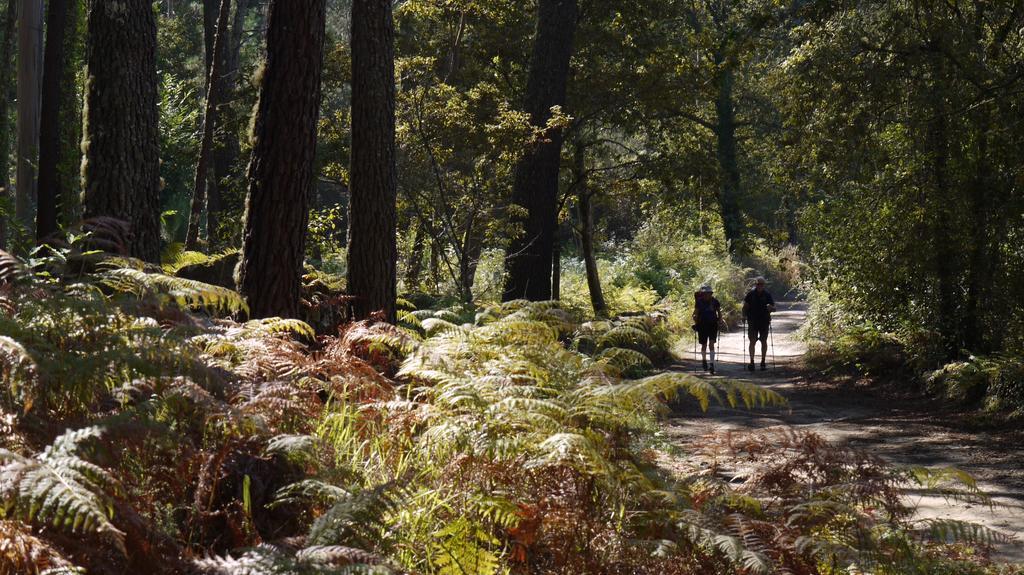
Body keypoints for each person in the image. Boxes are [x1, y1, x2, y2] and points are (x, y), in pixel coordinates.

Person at [743, 277, 775, 371]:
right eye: (758, 284)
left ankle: (763, 361)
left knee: (763, 341)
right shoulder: (750, 294)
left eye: (761, 284)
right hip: (752, 321)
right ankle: (752, 362)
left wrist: (771, 308)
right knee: (752, 341)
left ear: (764, 285)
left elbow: (774, 308)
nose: (759, 286)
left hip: (764, 321)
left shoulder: (767, 295)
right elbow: (744, 307)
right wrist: (743, 316)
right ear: (755, 285)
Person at [692, 285, 722, 374]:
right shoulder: (699, 302)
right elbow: (695, 313)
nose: (706, 295)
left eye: (708, 293)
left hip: (713, 325)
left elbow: (719, 312)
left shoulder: (715, 301)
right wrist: (695, 318)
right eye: (705, 293)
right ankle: (704, 360)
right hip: (702, 325)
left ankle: (711, 364)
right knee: (704, 344)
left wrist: (720, 320)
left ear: (711, 293)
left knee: (711, 344)